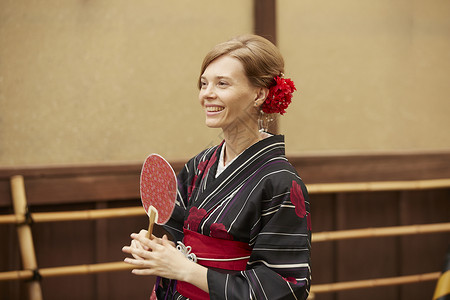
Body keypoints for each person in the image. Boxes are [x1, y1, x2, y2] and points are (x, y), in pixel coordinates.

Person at [122, 34, 311, 300]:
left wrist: (186, 270)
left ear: (259, 93)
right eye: (203, 84)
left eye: (222, 84)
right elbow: (182, 241)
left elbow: (284, 286)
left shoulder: (280, 181)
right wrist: (157, 248)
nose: (207, 94)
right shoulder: (199, 164)